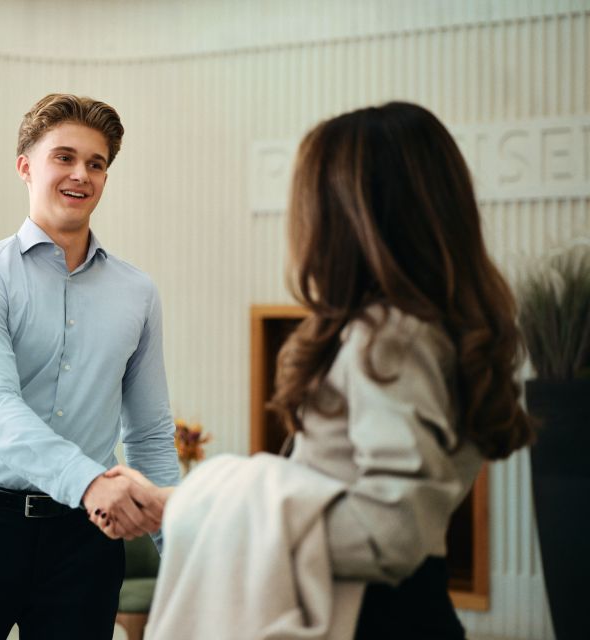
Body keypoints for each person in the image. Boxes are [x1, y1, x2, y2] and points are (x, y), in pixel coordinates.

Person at [101, 102, 535, 639]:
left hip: (369, 620)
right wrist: (181, 503)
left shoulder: (389, 335)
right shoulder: (440, 325)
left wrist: (214, 504)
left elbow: (392, 531)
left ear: (347, 213)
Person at [0, 93, 180, 640]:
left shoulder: (138, 293)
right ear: (25, 166)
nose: (80, 174)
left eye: (96, 163)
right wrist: (87, 482)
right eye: (64, 156)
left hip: (84, 542)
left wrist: (178, 544)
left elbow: (150, 431)